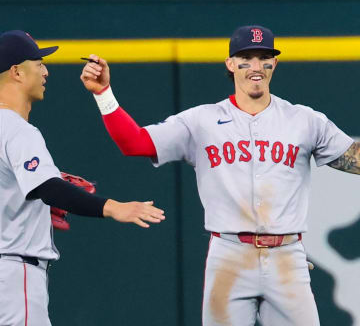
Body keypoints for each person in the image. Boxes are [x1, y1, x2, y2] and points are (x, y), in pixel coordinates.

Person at [80, 25, 358, 326]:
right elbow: (135, 143)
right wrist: (104, 95)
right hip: (229, 255)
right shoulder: (202, 121)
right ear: (230, 64)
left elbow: (354, 159)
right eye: (246, 58)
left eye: (264, 58)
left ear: (274, 64)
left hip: (286, 256)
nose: (255, 66)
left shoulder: (304, 120)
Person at [0, 30, 165, 326]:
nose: (45, 71)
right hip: (14, 276)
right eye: (38, 63)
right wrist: (114, 207)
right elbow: (49, 189)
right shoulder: (17, 130)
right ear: (16, 72)